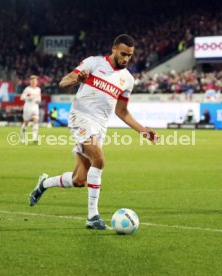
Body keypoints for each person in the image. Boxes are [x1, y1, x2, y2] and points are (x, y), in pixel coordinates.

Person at [29, 34, 159, 229]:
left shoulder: (127, 80)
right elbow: (63, 82)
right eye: (123, 54)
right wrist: (76, 80)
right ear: (114, 48)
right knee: (99, 159)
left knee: (79, 180)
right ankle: (92, 217)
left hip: (99, 127)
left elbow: (121, 111)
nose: (126, 59)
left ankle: (44, 183)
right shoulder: (93, 63)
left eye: (130, 56)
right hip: (80, 117)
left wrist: (142, 130)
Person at [20, 75, 41, 143]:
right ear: (30, 82)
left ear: (37, 82)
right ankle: (22, 135)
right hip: (27, 107)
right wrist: (28, 97)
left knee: (36, 120)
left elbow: (39, 98)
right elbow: (22, 97)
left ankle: (34, 138)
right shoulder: (27, 89)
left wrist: (38, 100)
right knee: (26, 123)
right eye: (32, 81)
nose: (34, 82)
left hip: (35, 107)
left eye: (35, 81)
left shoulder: (38, 89)